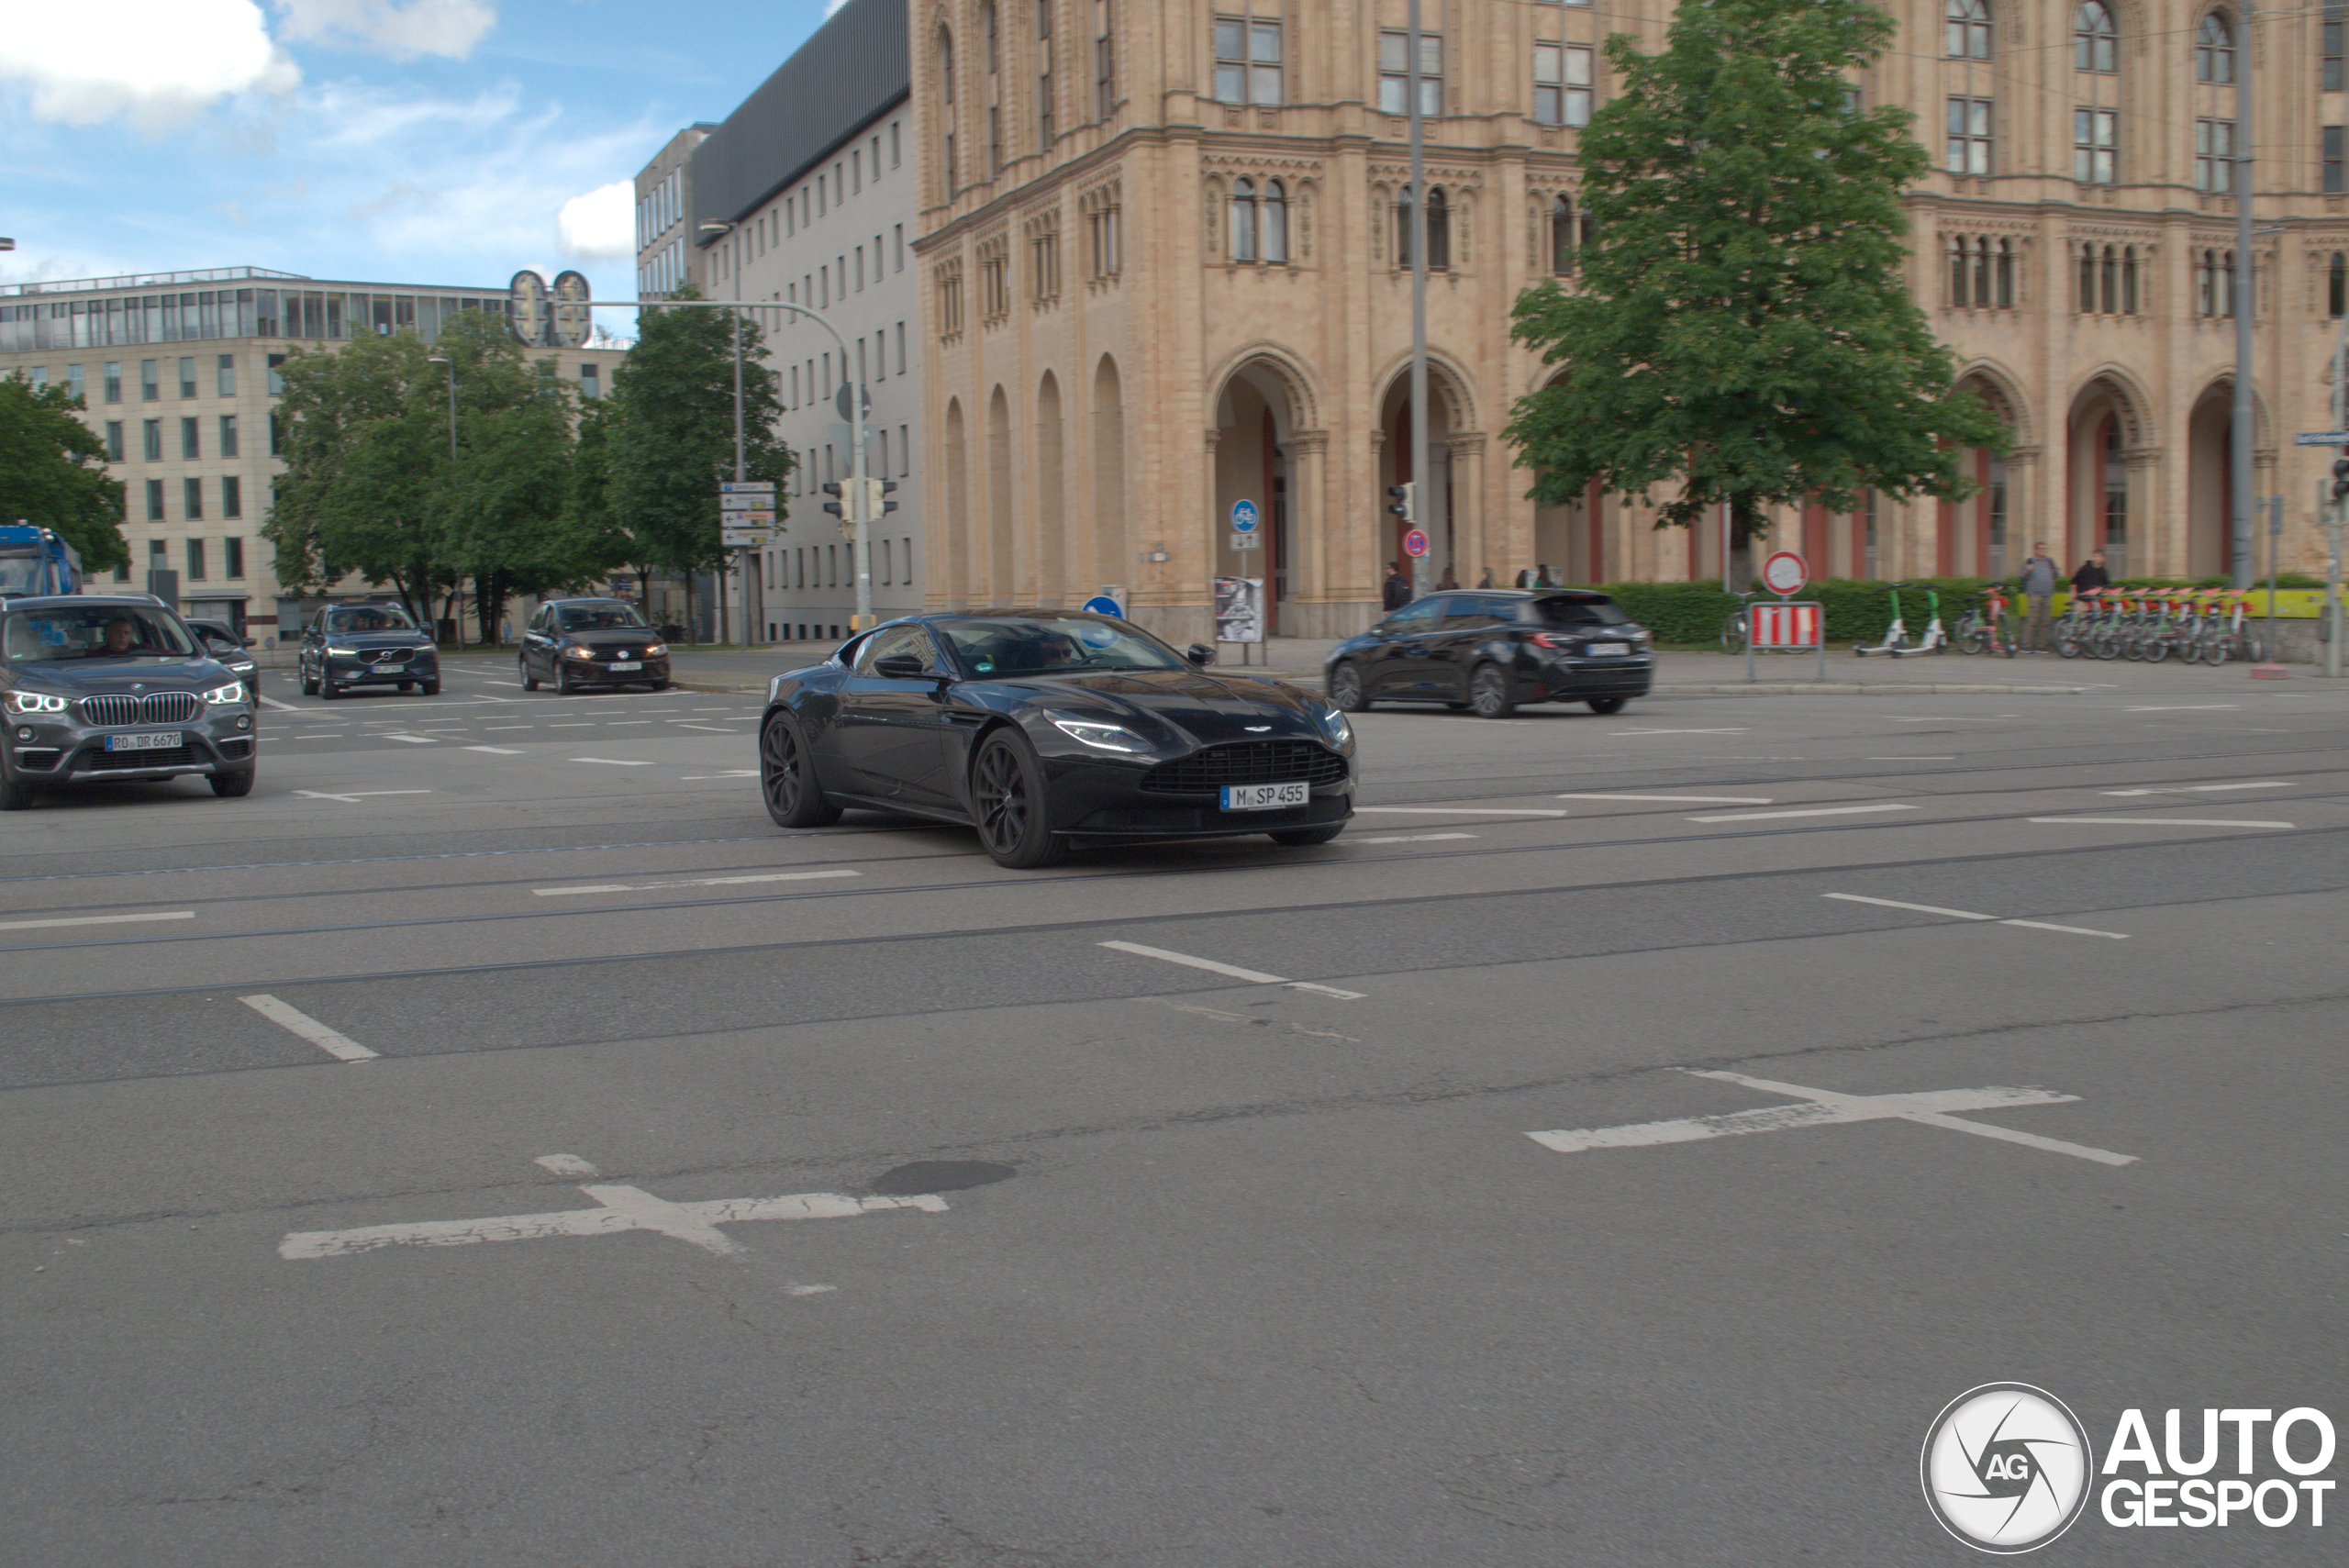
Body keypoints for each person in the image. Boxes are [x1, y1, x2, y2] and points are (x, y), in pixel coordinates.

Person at [2019, 540, 2060, 651]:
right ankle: (2026, 645)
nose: (2043, 551)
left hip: (2047, 595)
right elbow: (2022, 577)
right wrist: (2028, 570)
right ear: (2036, 550)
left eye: (2045, 549)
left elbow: (2057, 576)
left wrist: (2056, 571)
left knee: (2046, 622)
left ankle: (2042, 646)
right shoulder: (2030, 561)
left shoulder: (2050, 562)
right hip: (2034, 595)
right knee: (2032, 621)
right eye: (2041, 549)